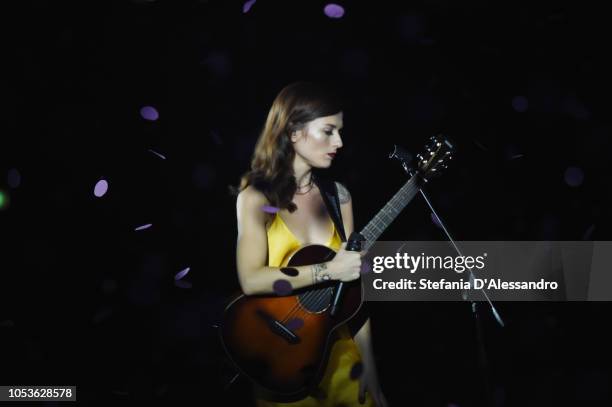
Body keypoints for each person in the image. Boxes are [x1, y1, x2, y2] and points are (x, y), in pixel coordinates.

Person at [232, 81, 388, 407]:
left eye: (340, 132)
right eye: (328, 131)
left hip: (342, 356)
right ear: (292, 132)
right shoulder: (255, 198)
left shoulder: (339, 197)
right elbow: (251, 279)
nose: (340, 142)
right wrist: (329, 269)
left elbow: (354, 293)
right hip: (282, 358)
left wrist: (371, 369)